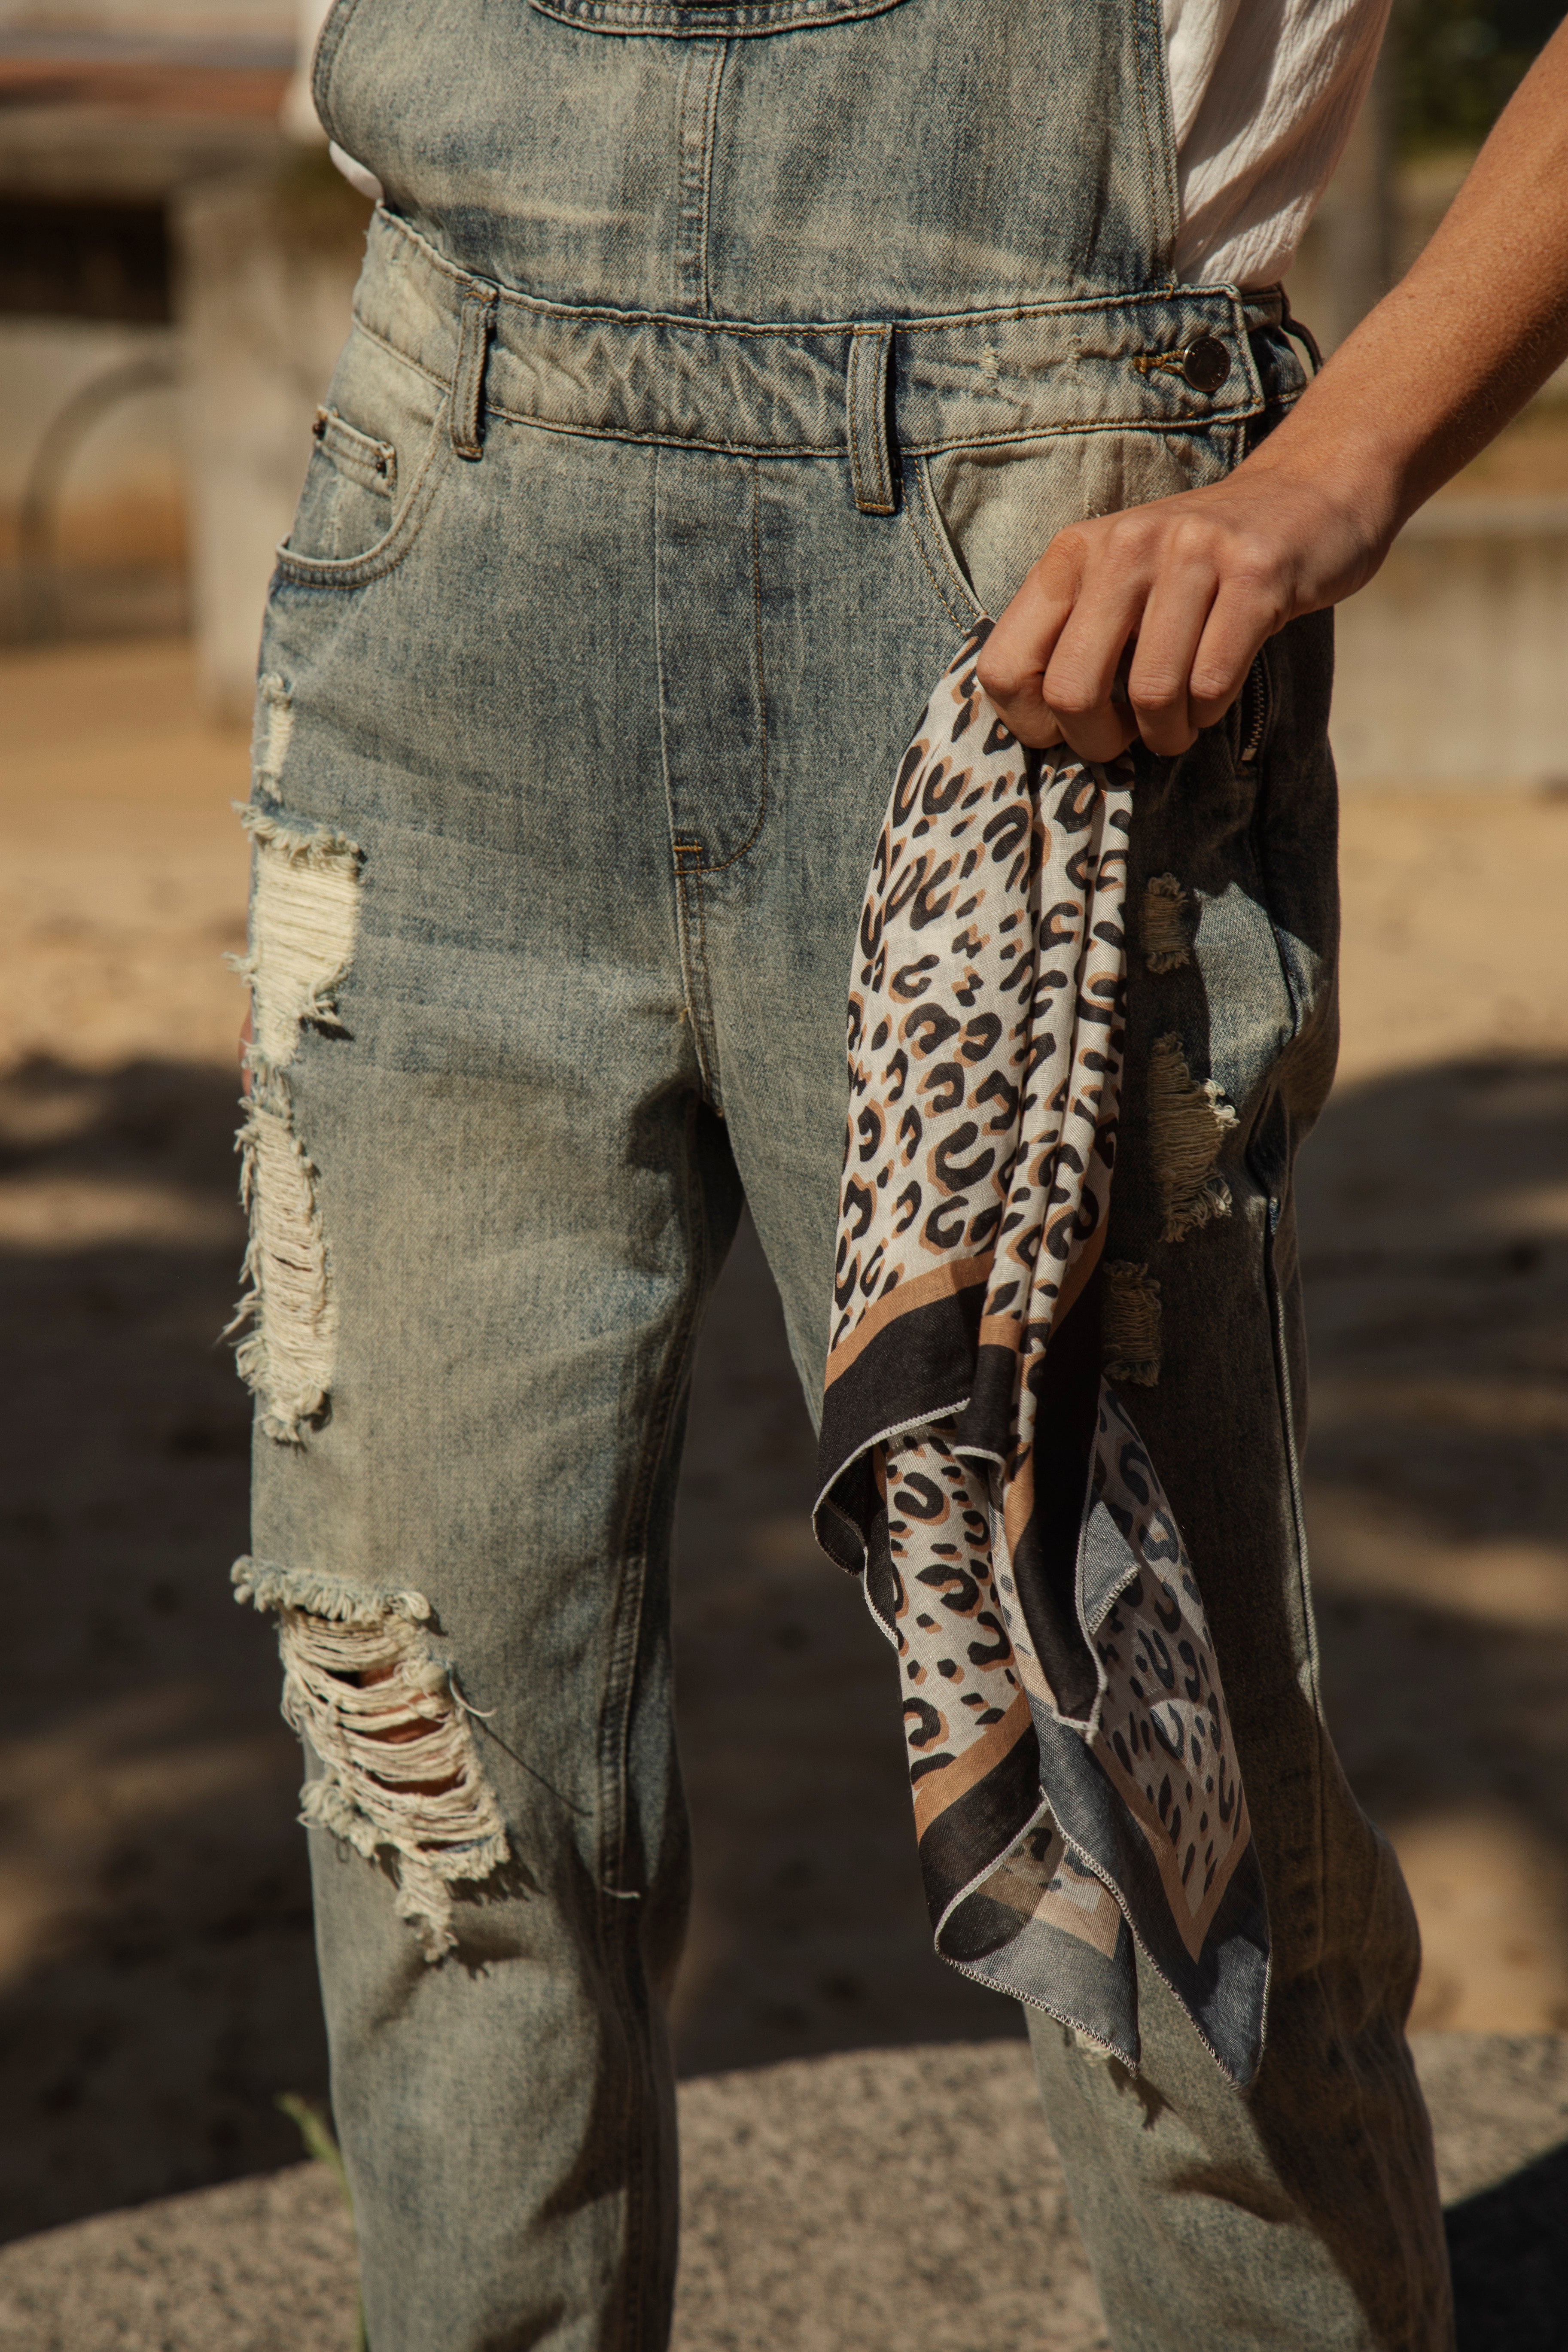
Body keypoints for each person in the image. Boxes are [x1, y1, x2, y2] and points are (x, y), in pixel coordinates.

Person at [229, 2, 1568, 2346]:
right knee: (444, 1812)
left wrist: (1335, 467)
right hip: (449, 547)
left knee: (1156, 1810)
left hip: (1044, 618)